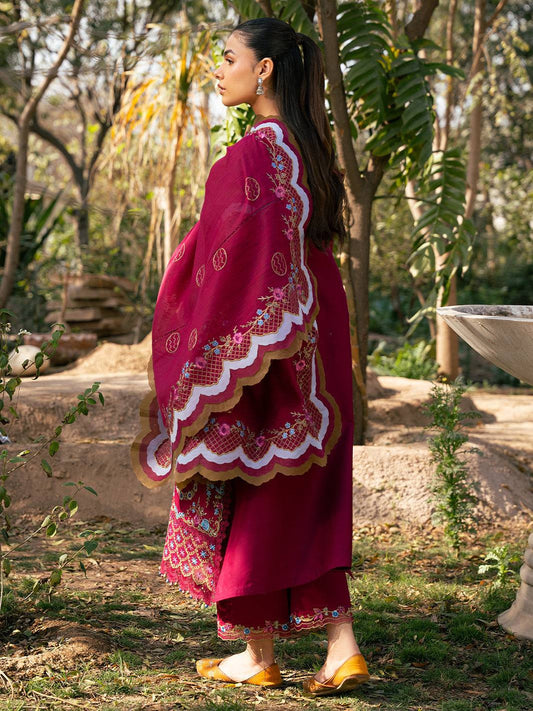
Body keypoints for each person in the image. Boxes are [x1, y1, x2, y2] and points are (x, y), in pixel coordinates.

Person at [132, 17, 370, 698]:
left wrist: (203, 335)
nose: (218, 69)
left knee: (254, 486)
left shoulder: (251, 155)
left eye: (229, 57)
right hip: (311, 342)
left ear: (263, 69)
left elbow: (228, 262)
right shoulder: (305, 150)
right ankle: (300, 650)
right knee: (296, 491)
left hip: (261, 346)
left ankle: (300, 650)